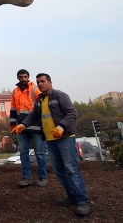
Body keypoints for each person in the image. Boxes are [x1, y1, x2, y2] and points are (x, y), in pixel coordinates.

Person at [13, 73, 90, 216]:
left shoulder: (59, 95)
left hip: (65, 138)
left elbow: (72, 113)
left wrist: (61, 127)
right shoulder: (40, 99)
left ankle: (82, 201)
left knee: (71, 169)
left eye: (43, 81)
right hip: (50, 140)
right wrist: (23, 125)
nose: (40, 84)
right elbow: (34, 116)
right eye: (38, 82)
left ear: (50, 82)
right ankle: (72, 197)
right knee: (60, 171)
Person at [9, 68, 47, 187]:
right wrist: (12, 125)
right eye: (21, 77)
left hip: (35, 125)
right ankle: (27, 178)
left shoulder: (34, 88)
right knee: (23, 153)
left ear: (28, 77)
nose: (23, 79)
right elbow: (13, 110)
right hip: (21, 127)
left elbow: (41, 104)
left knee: (39, 152)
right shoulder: (15, 92)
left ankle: (43, 177)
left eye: (25, 77)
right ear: (18, 78)